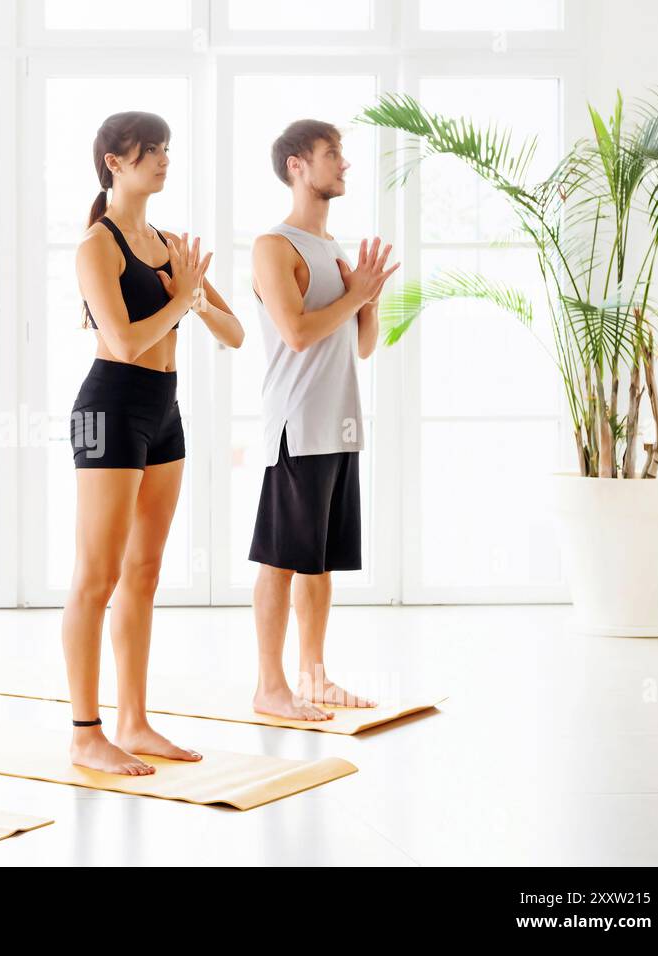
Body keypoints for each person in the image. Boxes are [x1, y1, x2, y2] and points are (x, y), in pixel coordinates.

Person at [64, 111, 244, 775]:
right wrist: (182, 299)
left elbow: (235, 333)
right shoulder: (97, 245)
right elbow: (125, 341)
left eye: (168, 149)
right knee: (96, 577)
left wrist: (192, 297)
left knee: (143, 573)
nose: (164, 160)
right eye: (150, 151)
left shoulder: (170, 243)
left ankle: (134, 723)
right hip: (107, 408)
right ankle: (87, 732)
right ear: (114, 161)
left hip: (162, 411)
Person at [248, 119, 398, 721]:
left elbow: (363, 346)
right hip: (296, 427)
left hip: (340, 426)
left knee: (321, 561)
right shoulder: (273, 246)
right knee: (282, 559)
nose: (344, 164)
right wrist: (355, 295)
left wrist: (369, 297)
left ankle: (314, 677)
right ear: (297, 166)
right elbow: (298, 333)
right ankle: (269, 687)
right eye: (332, 154)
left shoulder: (336, 251)